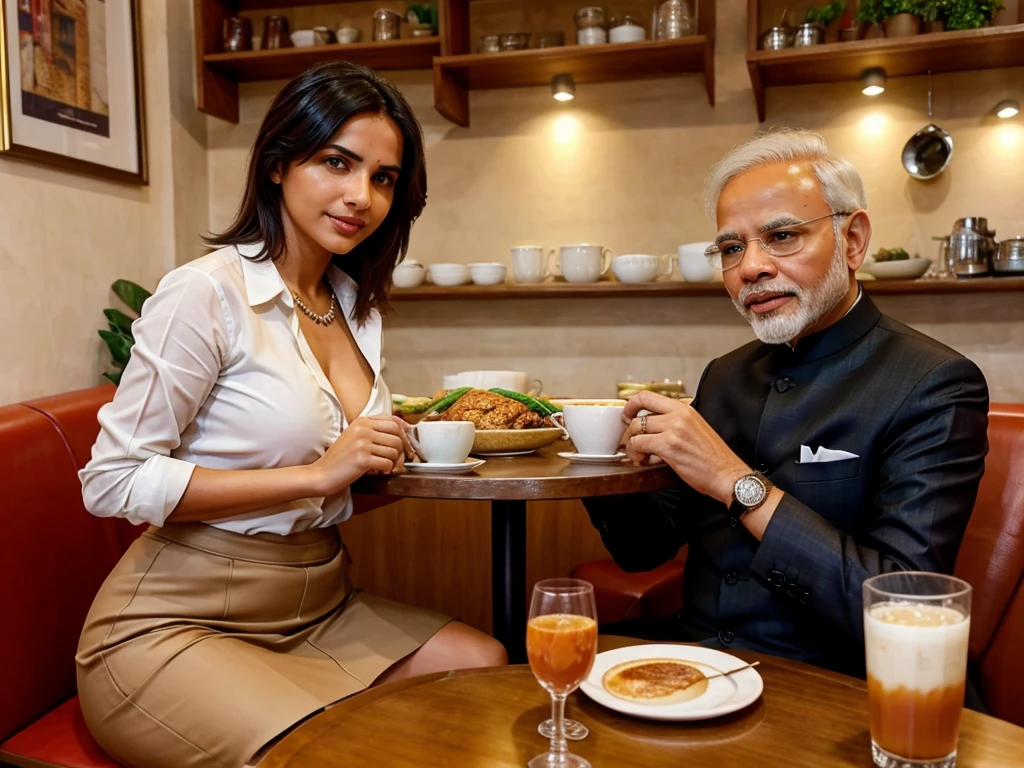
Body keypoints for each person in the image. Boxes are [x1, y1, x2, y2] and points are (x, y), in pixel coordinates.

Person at [76, 62, 506, 768]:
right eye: (336, 163)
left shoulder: (351, 305)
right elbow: (112, 481)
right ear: (278, 163)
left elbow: (331, 482)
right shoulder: (205, 293)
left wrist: (383, 460)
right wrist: (316, 476)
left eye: (383, 177)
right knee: (324, 754)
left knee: (483, 664)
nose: (359, 195)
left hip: (319, 605)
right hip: (176, 623)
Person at [584, 129, 989, 677]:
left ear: (853, 240)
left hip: (830, 682)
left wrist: (735, 483)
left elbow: (902, 607)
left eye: (781, 236)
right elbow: (644, 551)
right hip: (698, 660)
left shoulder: (934, 382)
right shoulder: (725, 374)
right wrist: (601, 454)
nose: (751, 267)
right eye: (731, 248)